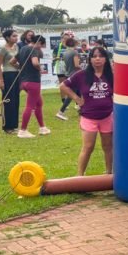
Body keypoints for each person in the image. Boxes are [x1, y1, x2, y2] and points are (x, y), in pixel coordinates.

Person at [60, 46, 114, 175]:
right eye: (94, 56)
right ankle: (80, 176)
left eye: (101, 56)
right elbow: (63, 86)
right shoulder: (82, 75)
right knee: (88, 147)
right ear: (90, 59)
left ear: (106, 59)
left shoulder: (112, 76)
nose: (97, 59)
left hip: (107, 116)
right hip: (88, 117)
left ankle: (108, 173)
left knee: (107, 147)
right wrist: (77, 99)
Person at [16, 35, 49, 138]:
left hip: (23, 81)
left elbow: (12, 61)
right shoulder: (34, 49)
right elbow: (35, 63)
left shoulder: (23, 48)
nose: (41, 48)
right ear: (39, 43)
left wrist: (23, 68)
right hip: (33, 81)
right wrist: (40, 69)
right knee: (30, 106)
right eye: (41, 46)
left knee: (39, 103)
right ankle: (23, 130)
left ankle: (42, 128)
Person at [0, 28, 21, 133]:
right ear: (7, 38)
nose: (16, 38)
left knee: (16, 100)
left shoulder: (17, 46)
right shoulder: (3, 48)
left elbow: (17, 60)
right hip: (8, 75)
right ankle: (7, 126)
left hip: (17, 74)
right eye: (14, 36)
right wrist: (1, 80)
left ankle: (14, 125)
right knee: (8, 100)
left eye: (16, 36)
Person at [55, 37, 80, 121]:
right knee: (71, 95)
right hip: (75, 75)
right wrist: (84, 69)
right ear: (74, 43)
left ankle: (82, 109)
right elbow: (76, 65)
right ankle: (61, 112)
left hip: (69, 74)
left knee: (77, 92)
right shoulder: (74, 52)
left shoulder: (65, 53)